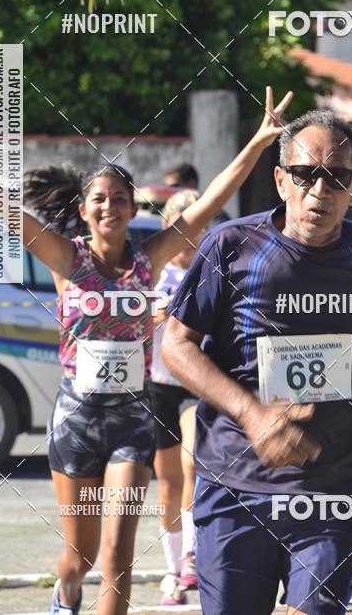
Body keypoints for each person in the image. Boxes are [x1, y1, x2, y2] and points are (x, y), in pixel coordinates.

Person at [0, 87, 291, 615]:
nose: (109, 207)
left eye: (119, 199)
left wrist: (259, 142)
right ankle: (66, 591)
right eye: (99, 199)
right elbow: (6, 210)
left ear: (130, 208)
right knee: (80, 556)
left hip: (131, 422)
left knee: (118, 556)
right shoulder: (63, 257)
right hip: (75, 420)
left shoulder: (150, 257)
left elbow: (210, 200)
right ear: (85, 209)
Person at [162, 109, 352, 615]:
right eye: (305, 174)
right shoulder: (232, 248)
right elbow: (175, 344)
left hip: (332, 487)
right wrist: (253, 414)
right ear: (281, 179)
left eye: (337, 177)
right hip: (236, 483)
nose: (320, 189)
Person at [148, 189, 202, 605]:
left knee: (192, 461)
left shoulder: (214, 268)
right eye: (182, 228)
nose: (191, 237)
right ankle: (172, 569)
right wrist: (152, 314)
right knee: (167, 482)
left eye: (198, 227)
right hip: (159, 384)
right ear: (169, 228)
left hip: (199, 383)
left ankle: (192, 556)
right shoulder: (151, 271)